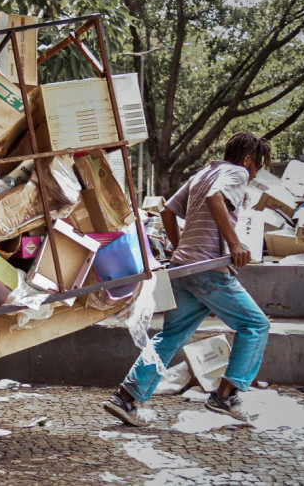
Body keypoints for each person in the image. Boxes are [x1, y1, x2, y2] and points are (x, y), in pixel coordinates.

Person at [102, 131, 272, 427]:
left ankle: (125, 398)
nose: (254, 173)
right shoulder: (236, 172)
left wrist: (181, 248)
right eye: (256, 167)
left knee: (170, 336)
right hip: (208, 270)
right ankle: (225, 396)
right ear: (247, 160)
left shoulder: (205, 172)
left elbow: (167, 211)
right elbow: (215, 198)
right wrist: (234, 243)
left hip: (184, 269)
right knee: (256, 325)